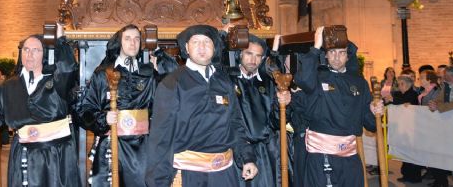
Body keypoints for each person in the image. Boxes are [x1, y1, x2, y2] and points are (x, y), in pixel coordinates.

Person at [146, 24, 258, 186]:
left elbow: (235, 124)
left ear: (214, 48)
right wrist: (159, 181)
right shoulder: (172, 83)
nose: (201, 47)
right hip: (188, 174)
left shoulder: (224, 82)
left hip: (225, 174)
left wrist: (247, 158)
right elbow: (161, 137)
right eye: (196, 42)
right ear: (186, 48)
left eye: (207, 42)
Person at [0, 35, 80, 187]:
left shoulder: (57, 82)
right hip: (24, 153)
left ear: (44, 54)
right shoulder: (8, 86)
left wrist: (58, 40)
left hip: (56, 154)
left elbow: (69, 68)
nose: (30, 54)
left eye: (36, 50)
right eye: (26, 49)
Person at [294, 26, 383, 187]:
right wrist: (316, 47)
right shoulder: (317, 78)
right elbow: (303, 80)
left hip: (350, 157)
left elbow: (370, 123)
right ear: (326, 55)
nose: (336, 57)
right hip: (321, 156)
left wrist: (375, 111)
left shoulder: (359, 83)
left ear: (348, 56)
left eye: (341, 52)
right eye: (332, 52)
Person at [77, 24, 158, 187]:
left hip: (141, 148)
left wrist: (160, 72)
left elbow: (160, 109)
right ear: (119, 43)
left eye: (137, 39)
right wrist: (103, 118)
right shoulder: (103, 74)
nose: (133, 43)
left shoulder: (148, 74)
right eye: (127, 38)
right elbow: (83, 110)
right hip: (111, 144)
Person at [228, 34, 291, 187]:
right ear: (240, 54)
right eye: (249, 54)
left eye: (258, 56)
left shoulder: (269, 82)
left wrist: (284, 104)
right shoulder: (228, 81)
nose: (253, 60)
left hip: (267, 153)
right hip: (239, 151)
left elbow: (276, 123)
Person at [387, 75, 421, 183]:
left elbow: (405, 101)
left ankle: (414, 177)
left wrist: (393, 99)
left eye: (402, 84)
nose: (400, 86)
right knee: (405, 152)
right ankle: (406, 175)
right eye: (399, 84)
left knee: (412, 153)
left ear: (408, 84)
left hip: (412, 128)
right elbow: (399, 100)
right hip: (405, 127)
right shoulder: (402, 94)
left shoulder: (412, 94)